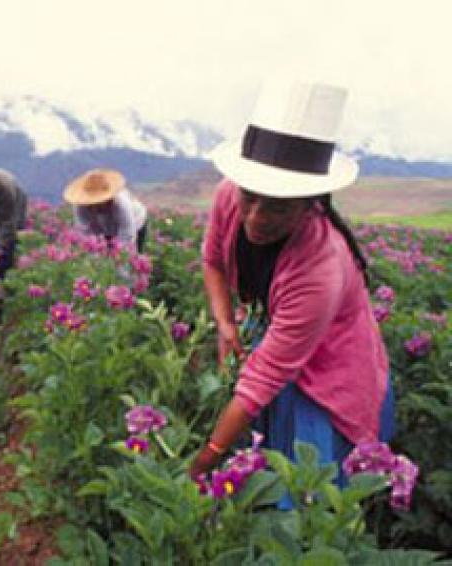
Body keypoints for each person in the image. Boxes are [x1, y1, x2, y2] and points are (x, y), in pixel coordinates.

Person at [189, 79, 394, 495]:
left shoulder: (321, 265)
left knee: (307, 497)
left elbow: (262, 379)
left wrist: (207, 457)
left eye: (278, 206)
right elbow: (212, 260)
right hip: (279, 350)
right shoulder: (230, 195)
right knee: (263, 468)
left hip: (330, 374)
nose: (255, 218)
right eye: (251, 198)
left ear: (311, 202)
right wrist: (225, 322)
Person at [63, 168, 148, 253]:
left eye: (100, 201)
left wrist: (119, 255)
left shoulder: (120, 203)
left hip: (136, 222)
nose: (97, 205)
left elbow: (127, 233)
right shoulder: (80, 206)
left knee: (132, 255)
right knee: (105, 252)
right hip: (106, 228)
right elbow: (85, 232)